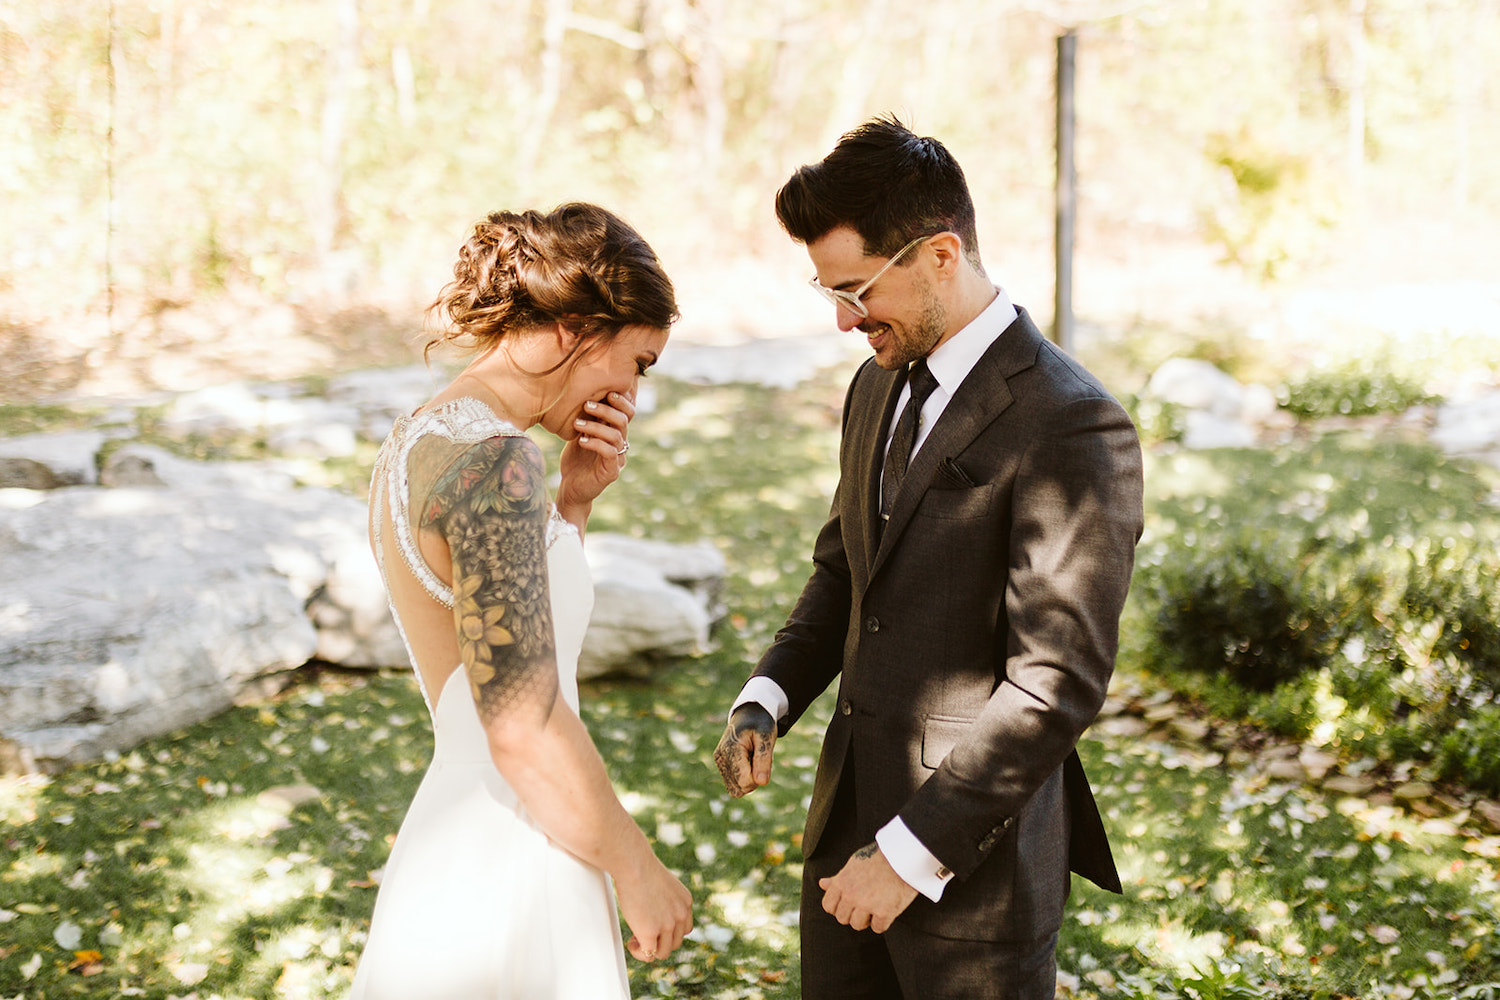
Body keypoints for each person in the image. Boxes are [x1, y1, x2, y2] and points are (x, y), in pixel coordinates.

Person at [713, 117, 1144, 999]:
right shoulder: (876, 383)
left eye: (859, 288)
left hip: (969, 881)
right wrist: (766, 698)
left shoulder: (1072, 422)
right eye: (827, 291)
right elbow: (846, 574)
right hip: (842, 843)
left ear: (940, 255)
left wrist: (908, 858)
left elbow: (1055, 682)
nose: (842, 320)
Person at [351, 202, 693, 999]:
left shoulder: (420, 437)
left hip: (454, 834)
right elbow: (522, 720)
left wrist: (572, 508)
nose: (631, 395)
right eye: (637, 363)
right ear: (577, 327)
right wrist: (637, 870)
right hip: (514, 847)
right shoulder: (498, 464)